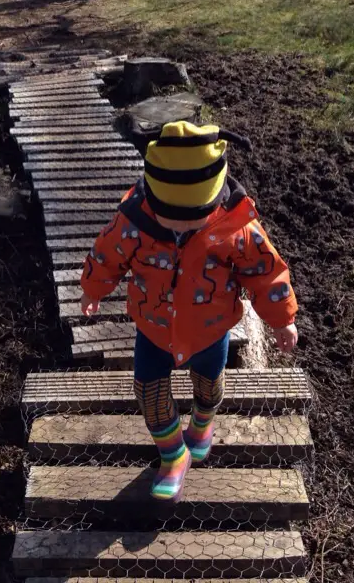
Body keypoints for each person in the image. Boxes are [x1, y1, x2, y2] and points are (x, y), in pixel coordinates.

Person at [80, 120, 298, 503]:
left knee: (208, 385)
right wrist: (93, 288)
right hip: (153, 325)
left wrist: (282, 319)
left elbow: (267, 271)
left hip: (210, 329)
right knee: (148, 392)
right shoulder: (134, 221)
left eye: (191, 218)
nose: (180, 226)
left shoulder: (237, 227)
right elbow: (107, 253)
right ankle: (172, 454)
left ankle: (202, 421)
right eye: (169, 217)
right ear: (152, 194)